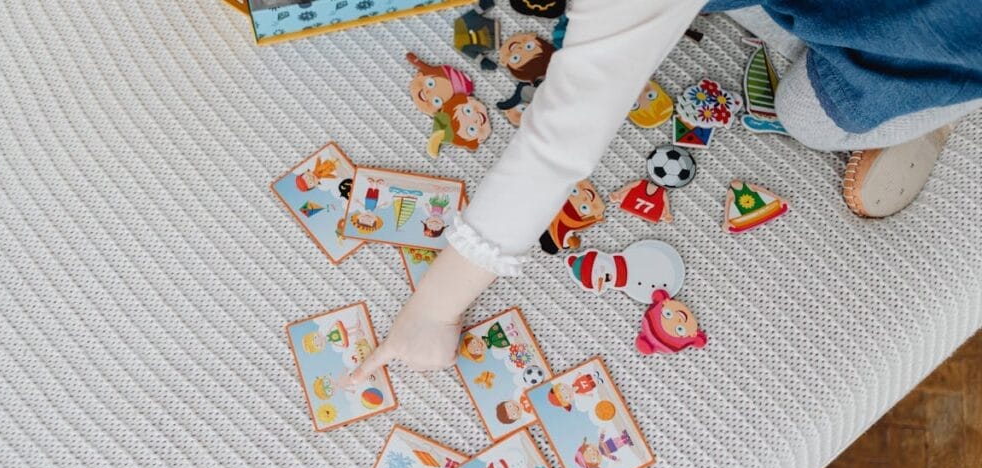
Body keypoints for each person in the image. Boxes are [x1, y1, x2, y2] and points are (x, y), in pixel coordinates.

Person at [340, 0, 982, 385]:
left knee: (810, 116)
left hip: (943, 32)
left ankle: (933, 104)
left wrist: (432, 311)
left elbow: (556, 148)